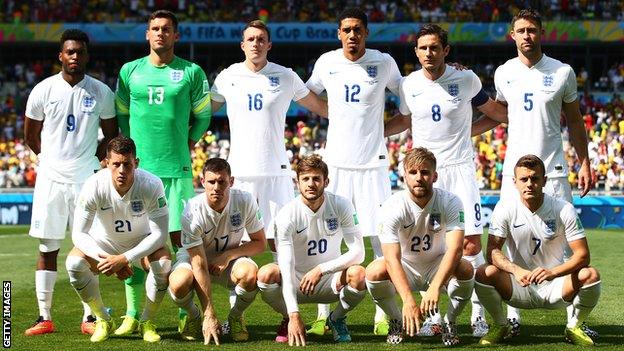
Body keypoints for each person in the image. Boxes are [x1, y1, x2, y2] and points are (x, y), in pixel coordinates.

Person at [471, 9, 594, 337]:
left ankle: (574, 322)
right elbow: (498, 114)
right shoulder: (503, 73)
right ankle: (512, 316)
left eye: (532, 30)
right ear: (512, 35)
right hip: (515, 175)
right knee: (509, 244)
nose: (527, 35)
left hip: (553, 170)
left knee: (567, 245)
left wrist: (584, 161)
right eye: (521, 30)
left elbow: (575, 120)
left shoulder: (562, 71)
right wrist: (459, 130)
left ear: (542, 33)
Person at [384, 24, 507, 338]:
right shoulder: (409, 85)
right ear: (416, 52)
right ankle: (434, 317)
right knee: (433, 247)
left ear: (446, 50)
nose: (429, 53)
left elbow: (494, 113)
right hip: (425, 175)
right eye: (423, 48)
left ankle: (478, 316)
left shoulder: (465, 79)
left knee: (469, 245)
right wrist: (373, 133)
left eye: (435, 48)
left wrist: (524, 116)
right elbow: (403, 120)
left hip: (459, 170)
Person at [305, 7, 401, 335]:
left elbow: (409, 100)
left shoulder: (384, 62)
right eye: (346, 30)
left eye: (358, 29)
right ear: (339, 33)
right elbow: (306, 94)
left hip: (373, 166)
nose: (352, 35)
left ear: (366, 33)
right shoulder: (327, 62)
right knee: (328, 239)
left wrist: (381, 131)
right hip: (337, 165)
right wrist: (332, 114)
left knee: (379, 239)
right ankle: (322, 315)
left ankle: (382, 314)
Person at [115, 9, 212, 334]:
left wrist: (187, 140)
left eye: (166, 29)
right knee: (136, 240)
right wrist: (131, 154)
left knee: (183, 241)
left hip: (177, 171)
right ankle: (133, 314)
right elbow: (122, 118)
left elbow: (203, 116)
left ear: (176, 35)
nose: (160, 34)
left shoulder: (191, 72)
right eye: (155, 28)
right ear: (147, 34)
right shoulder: (130, 71)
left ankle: (188, 310)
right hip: (139, 174)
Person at [23, 29, 118, 336]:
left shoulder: (101, 91)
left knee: (89, 247)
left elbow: (111, 135)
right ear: (60, 56)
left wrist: (91, 159)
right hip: (51, 176)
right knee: (47, 246)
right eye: (70, 52)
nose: (75, 56)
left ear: (87, 56)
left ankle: (90, 317)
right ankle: (44, 317)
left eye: (80, 52)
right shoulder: (43, 90)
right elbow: (30, 135)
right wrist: (49, 159)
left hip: (85, 178)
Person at [210, 20, 327, 255]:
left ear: (269, 45)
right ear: (242, 45)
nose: (256, 43)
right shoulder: (227, 77)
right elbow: (204, 114)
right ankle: (239, 291)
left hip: (276, 171)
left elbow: (322, 108)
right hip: (240, 173)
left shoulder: (286, 76)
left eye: (261, 39)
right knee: (236, 242)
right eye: (251, 39)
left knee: (282, 241)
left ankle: (287, 291)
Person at [475, 154, 601, 346]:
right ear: (515, 182)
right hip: (519, 286)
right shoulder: (504, 208)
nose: (529, 184)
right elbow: (492, 251)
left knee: (590, 274)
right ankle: (501, 325)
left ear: (544, 181)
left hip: (556, 286)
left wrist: (552, 273)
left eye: (535, 178)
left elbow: (583, 255)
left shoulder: (563, 209)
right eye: (524, 179)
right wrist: (515, 270)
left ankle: (574, 326)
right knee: (484, 272)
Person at [66, 136, 171, 343]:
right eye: (116, 164)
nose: (122, 170)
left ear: (136, 163)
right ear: (106, 163)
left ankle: (146, 322)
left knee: (164, 263)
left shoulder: (151, 184)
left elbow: (160, 234)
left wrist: (124, 259)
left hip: (142, 241)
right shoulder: (94, 185)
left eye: (127, 164)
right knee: (74, 264)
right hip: (106, 244)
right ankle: (103, 319)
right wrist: (109, 259)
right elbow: (78, 233)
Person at [365, 147, 474, 346]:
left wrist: (435, 287)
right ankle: (397, 321)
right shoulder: (391, 207)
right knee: (373, 271)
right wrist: (408, 300)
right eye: (413, 172)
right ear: (404, 176)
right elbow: (391, 258)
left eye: (425, 172)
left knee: (466, 268)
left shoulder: (450, 201)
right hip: (406, 266)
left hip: (437, 265)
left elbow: (456, 249)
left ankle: (450, 322)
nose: (419, 178)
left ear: (434, 176)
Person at [257, 155, 367, 345]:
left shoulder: (342, 205)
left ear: (326, 181)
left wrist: (320, 269)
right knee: (266, 274)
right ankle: (287, 318)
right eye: (305, 179)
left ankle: (336, 319)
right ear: (297, 182)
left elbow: (359, 252)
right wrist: (293, 314)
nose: (311, 184)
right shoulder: (286, 215)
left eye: (316, 178)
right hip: (296, 280)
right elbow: (286, 264)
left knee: (359, 274)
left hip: (329, 280)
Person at [168, 158, 266, 344]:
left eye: (222, 181)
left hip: (230, 257)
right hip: (195, 259)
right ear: (202, 182)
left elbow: (260, 243)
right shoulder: (192, 212)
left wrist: (227, 256)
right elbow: (198, 264)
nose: (216, 187)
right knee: (178, 283)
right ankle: (196, 317)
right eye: (211, 182)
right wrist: (209, 313)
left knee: (249, 274)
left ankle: (235, 317)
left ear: (231, 181)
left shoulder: (245, 200)